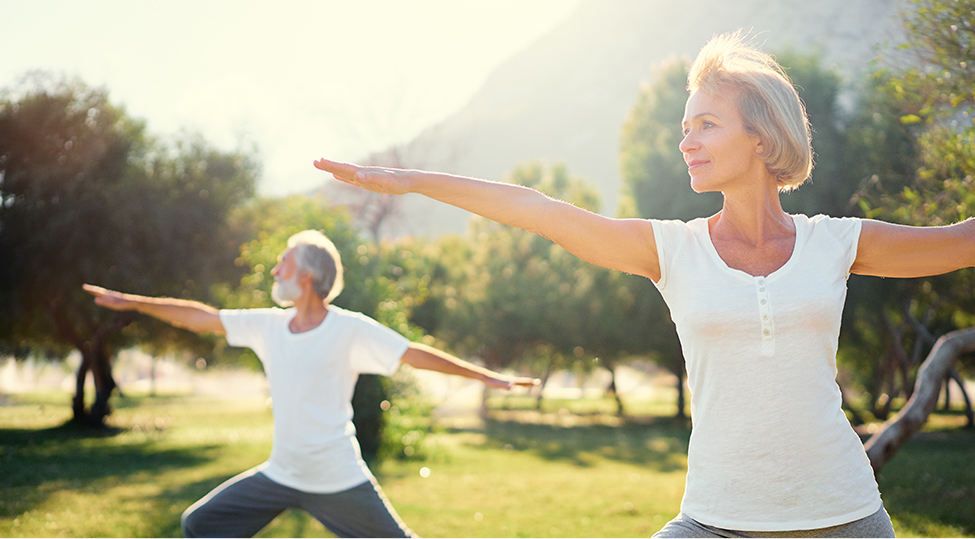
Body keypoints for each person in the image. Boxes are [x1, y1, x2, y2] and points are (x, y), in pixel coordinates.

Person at [313, 31, 975, 538]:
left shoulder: (834, 242)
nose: (686, 141)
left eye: (705, 124)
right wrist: (413, 179)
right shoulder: (672, 251)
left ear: (761, 136)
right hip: (716, 518)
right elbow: (540, 210)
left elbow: (959, 242)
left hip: (843, 514)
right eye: (682, 128)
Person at [83, 229, 537, 538]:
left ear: (307, 277)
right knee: (200, 525)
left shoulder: (350, 329)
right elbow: (202, 318)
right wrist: (132, 303)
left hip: (337, 477)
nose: (275, 270)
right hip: (280, 474)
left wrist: (486, 376)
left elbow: (413, 354)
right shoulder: (269, 326)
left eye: (284, 262)